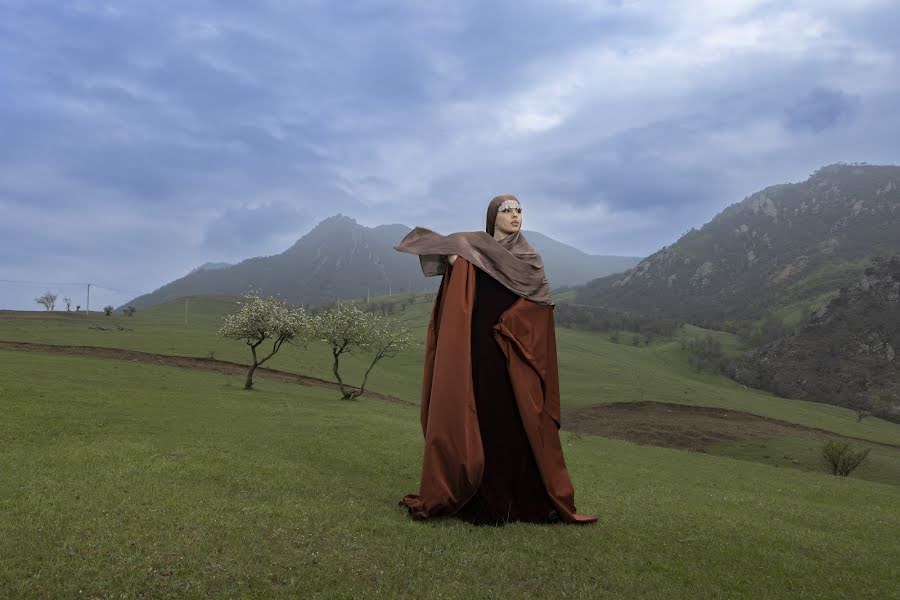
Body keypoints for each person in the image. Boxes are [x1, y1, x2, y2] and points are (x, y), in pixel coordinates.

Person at [394, 195, 597, 525]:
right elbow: (443, 254)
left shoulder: (530, 260)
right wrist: (452, 259)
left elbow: (539, 307)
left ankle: (526, 500)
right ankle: (485, 498)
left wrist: (511, 324)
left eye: (519, 210)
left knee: (519, 418)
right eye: (507, 210)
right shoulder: (472, 248)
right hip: (477, 349)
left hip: (512, 349)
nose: (515, 215)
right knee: (483, 417)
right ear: (493, 216)